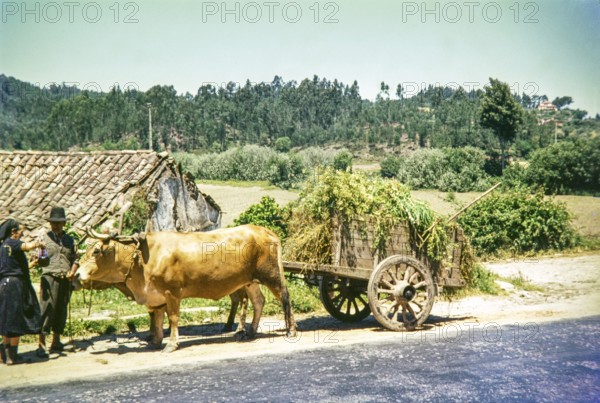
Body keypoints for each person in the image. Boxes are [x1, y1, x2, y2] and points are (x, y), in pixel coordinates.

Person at [0, 219, 44, 365]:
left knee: (6, 319)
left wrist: (32, 263)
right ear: (13, 232)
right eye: (20, 231)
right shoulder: (13, 242)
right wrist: (38, 244)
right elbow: (28, 246)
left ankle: (5, 355)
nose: (22, 234)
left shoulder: (3, 246)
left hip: (4, 284)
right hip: (14, 286)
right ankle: (13, 356)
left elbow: (12, 268)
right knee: (15, 319)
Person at [37, 207, 80, 357]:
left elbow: (76, 259)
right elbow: (39, 261)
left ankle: (56, 341)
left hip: (65, 279)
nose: (55, 225)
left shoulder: (69, 240)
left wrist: (73, 271)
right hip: (49, 278)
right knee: (47, 309)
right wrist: (41, 254)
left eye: (59, 223)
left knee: (61, 309)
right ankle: (41, 343)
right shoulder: (44, 239)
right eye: (53, 223)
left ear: (63, 223)